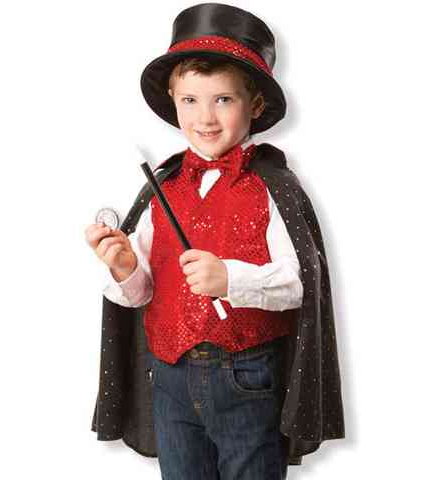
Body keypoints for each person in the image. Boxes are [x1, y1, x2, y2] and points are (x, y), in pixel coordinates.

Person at [85, 3, 345, 479]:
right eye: (190, 100)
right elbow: (144, 293)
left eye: (223, 99)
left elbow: (300, 284)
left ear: (256, 105)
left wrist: (231, 279)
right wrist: (124, 267)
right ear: (172, 99)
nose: (204, 117)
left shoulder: (274, 186)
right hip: (169, 377)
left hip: (247, 376)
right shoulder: (162, 187)